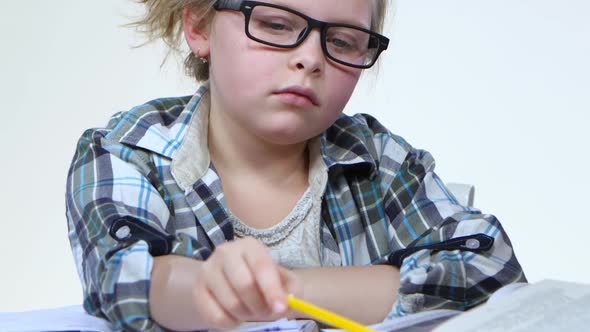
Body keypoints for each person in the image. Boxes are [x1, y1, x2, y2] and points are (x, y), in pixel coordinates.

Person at [65, 0, 526, 331]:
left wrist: (283, 290)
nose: (309, 58)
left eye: (342, 40)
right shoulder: (129, 150)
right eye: (275, 24)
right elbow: (123, 276)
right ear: (200, 26)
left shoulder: (381, 162)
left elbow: (491, 268)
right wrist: (206, 285)